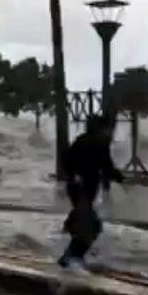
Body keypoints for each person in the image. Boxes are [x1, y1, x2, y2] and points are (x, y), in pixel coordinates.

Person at [58, 115, 124, 268]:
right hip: (79, 189)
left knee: (90, 225)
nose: (110, 133)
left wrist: (120, 178)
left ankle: (72, 257)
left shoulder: (99, 144)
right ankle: (69, 259)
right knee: (90, 224)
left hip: (86, 189)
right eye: (108, 129)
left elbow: (107, 167)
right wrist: (75, 175)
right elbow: (67, 161)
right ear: (100, 129)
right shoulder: (86, 142)